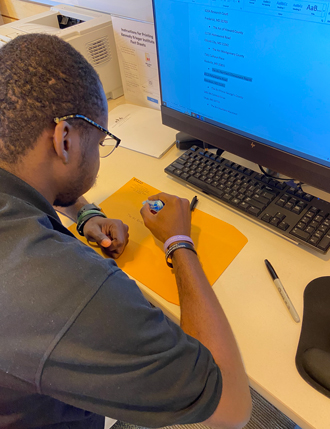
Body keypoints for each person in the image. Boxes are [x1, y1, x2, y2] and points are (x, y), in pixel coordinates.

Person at [0, 33, 251, 429]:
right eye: (101, 142)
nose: (100, 155)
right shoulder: (59, 287)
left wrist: (85, 215)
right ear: (64, 139)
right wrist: (178, 241)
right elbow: (230, 410)